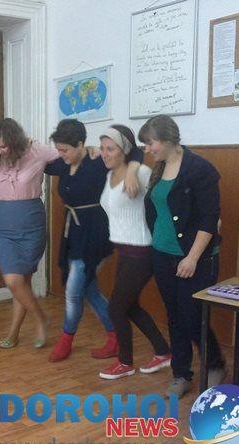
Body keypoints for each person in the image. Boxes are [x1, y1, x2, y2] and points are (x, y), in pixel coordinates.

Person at [140, 114, 226, 398]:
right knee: (174, 316)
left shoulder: (200, 169)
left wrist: (192, 258)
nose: (147, 149)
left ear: (168, 140)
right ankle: (181, 374)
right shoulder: (159, 166)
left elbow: (209, 219)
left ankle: (215, 363)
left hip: (194, 257)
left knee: (192, 317)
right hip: (162, 254)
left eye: (151, 143)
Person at [45, 119, 140, 362]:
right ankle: (116, 336)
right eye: (58, 149)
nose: (61, 154)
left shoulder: (98, 162)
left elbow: (135, 152)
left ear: (80, 144)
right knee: (90, 291)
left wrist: (131, 171)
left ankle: (66, 340)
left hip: (95, 235)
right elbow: (41, 162)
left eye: (65, 150)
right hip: (73, 234)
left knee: (73, 292)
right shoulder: (64, 164)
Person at [97, 125, 171, 380]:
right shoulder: (109, 175)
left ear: (124, 150)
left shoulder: (141, 172)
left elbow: (163, 202)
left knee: (116, 308)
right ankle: (163, 352)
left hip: (142, 250)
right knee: (129, 306)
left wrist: (133, 168)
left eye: (110, 148)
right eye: (102, 148)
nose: (104, 153)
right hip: (124, 249)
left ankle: (125, 362)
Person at [0, 118, 56, 349]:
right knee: (13, 280)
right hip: (4, 226)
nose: (0, 151)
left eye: (4, 146)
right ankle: (41, 319)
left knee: (22, 281)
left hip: (32, 223)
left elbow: (67, 153)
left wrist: (91, 151)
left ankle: (14, 333)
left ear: (15, 142)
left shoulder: (37, 151)